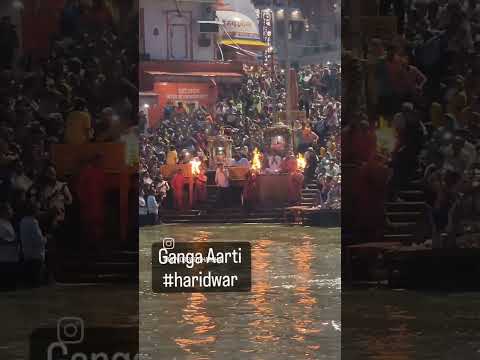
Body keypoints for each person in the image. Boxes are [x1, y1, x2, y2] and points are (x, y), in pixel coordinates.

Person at [76, 155, 106, 246]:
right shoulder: (86, 171)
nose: (101, 163)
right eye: (99, 161)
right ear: (95, 161)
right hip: (88, 201)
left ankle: (96, 242)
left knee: (97, 222)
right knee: (88, 222)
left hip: (97, 201)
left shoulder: (100, 171)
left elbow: (102, 186)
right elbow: (79, 186)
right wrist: (82, 198)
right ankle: (88, 244)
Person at [20, 202, 47, 287]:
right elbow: (38, 240)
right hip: (36, 256)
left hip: (27, 254)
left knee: (29, 283)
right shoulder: (33, 222)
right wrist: (46, 238)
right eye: (38, 209)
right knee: (36, 283)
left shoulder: (23, 221)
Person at [0, 202, 19, 289]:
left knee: (12, 285)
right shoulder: (1, 224)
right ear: (4, 211)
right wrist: (12, 241)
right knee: (6, 286)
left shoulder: (8, 223)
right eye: (10, 209)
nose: (12, 211)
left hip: (12, 258)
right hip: (4, 259)